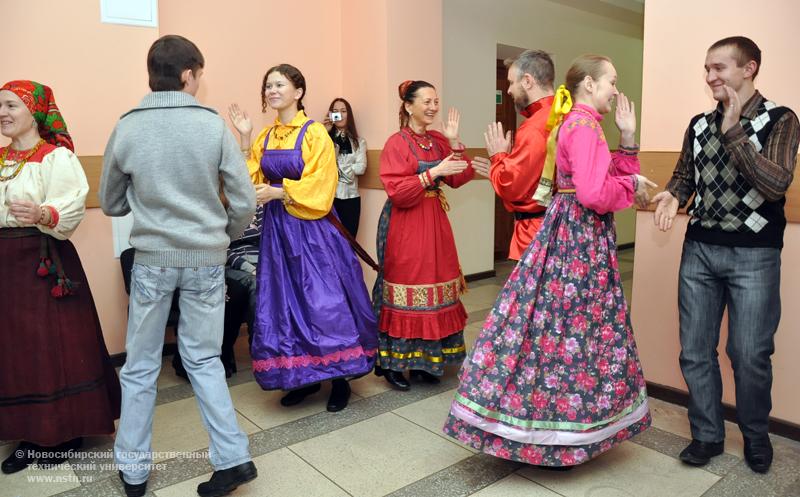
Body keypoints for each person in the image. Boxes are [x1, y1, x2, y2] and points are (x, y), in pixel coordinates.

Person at [443, 55, 655, 468]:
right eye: (612, 81)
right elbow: (595, 193)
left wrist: (628, 141)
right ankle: (556, 426)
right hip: (579, 239)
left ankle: (550, 421)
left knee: (557, 330)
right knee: (572, 332)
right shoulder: (582, 125)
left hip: (574, 235)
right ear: (590, 85)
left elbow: (598, 178)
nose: (616, 89)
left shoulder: (576, 123)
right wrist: (631, 182)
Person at [99, 35, 257, 497]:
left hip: (152, 261)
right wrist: (219, 236)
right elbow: (244, 201)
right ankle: (232, 459)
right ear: (188, 74)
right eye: (200, 74)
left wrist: (148, 200)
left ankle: (133, 473)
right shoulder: (211, 127)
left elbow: (109, 203)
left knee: (140, 367)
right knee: (205, 359)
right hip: (206, 260)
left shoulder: (127, 126)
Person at [652, 36, 799, 474]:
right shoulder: (698, 123)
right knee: (695, 351)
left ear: (749, 68)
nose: (710, 76)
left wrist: (735, 131)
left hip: (755, 256)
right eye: (707, 69)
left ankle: (756, 437)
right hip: (699, 250)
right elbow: (684, 175)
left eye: (719, 68)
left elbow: (775, 185)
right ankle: (708, 436)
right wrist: (672, 197)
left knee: (749, 352)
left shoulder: (782, 120)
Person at [228, 64, 377, 413]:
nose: (272, 90)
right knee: (286, 303)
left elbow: (322, 187)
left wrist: (279, 193)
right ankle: (304, 377)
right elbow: (249, 181)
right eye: (268, 85)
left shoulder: (314, 134)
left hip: (312, 230)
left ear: (298, 92)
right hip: (278, 232)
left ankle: (340, 379)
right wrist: (246, 138)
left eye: (279, 84)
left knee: (324, 302)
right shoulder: (266, 136)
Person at [0, 80, 121, 474]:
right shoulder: (1, 159)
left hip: (43, 262)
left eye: (11, 106)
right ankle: (26, 431)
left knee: (50, 348)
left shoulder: (56, 157)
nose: (3, 113)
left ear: (34, 112)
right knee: (15, 351)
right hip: (5, 267)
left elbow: (67, 209)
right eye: (0, 106)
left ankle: (62, 432)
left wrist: (40, 214)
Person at [372, 80, 488, 391]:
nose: (433, 107)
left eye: (435, 101)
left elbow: (459, 177)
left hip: (435, 220)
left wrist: (454, 142)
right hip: (406, 224)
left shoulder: (437, 140)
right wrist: (432, 173)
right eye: (426, 101)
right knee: (408, 288)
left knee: (436, 284)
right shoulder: (396, 143)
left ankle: (428, 361)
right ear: (408, 106)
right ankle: (394, 364)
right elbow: (397, 192)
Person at [478, 49, 555, 260]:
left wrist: (498, 157)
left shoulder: (535, 127)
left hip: (537, 232)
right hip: (561, 228)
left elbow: (511, 187)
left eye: (512, 82)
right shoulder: (565, 114)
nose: (509, 90)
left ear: (528, 81)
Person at [323, 97, 367, 237]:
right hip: (329, 198)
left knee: (349, 242)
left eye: (343, 111)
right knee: (329, 243)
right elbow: (320, 167)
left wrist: (336, 164)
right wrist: (324, 133)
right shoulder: (325, 140)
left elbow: (361, 168)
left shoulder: (359, 142)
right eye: (335, 112)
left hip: (352, 199)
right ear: (330, 115)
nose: (340, 115)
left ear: (349, 114)